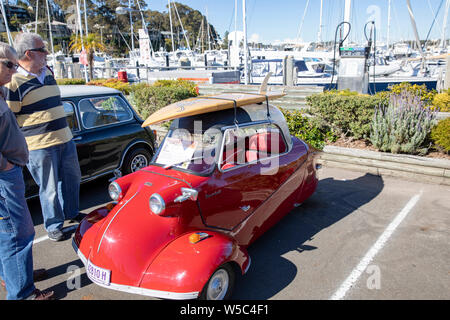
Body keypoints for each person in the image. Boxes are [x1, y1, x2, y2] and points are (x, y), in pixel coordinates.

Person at [6, 33, 82, 242]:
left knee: (72, 179)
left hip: (65, 139)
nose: (47, 53)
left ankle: (72, 213)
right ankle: (54, 225)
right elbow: (10, 119)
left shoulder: (47, 73)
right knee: (48, 188)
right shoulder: (13, 82)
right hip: (39, 145)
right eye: (43, 50)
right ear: (29, 54)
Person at [0, 42, 53, 300]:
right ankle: (23, 293)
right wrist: (6, 165)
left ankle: (15, 276)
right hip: (4, 176)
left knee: (7, 233)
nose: (14, 68)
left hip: (8, 172)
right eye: (9, 64)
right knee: (19, 232)